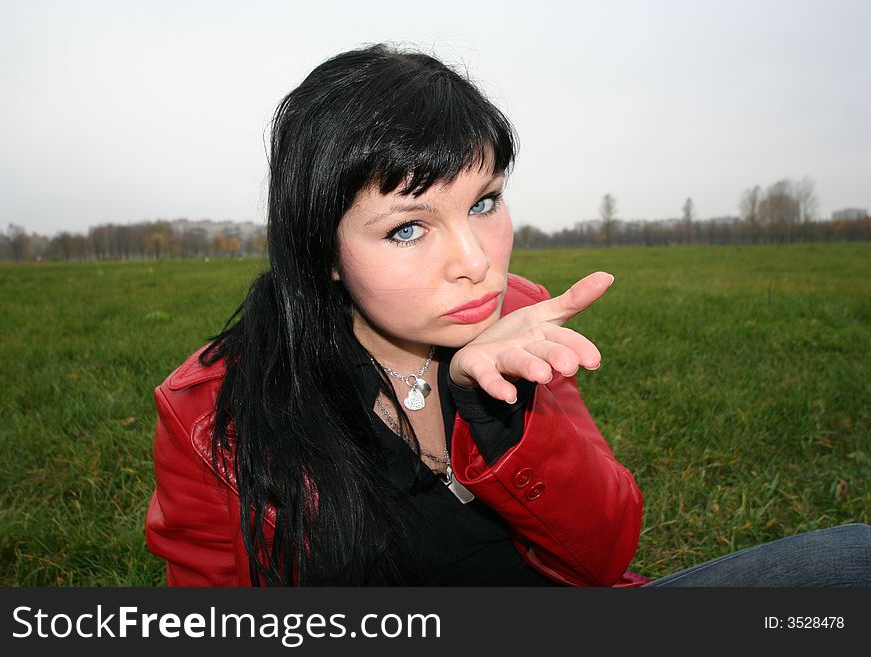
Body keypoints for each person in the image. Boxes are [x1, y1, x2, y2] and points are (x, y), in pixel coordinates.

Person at [145, 44, 870, 587]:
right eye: (408, 227)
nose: (476, 259)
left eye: (485, 202)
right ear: (323, 250)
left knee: (852, 561)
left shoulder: (515, 314)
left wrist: (505, 421)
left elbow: (601, 556)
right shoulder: (210, 412)